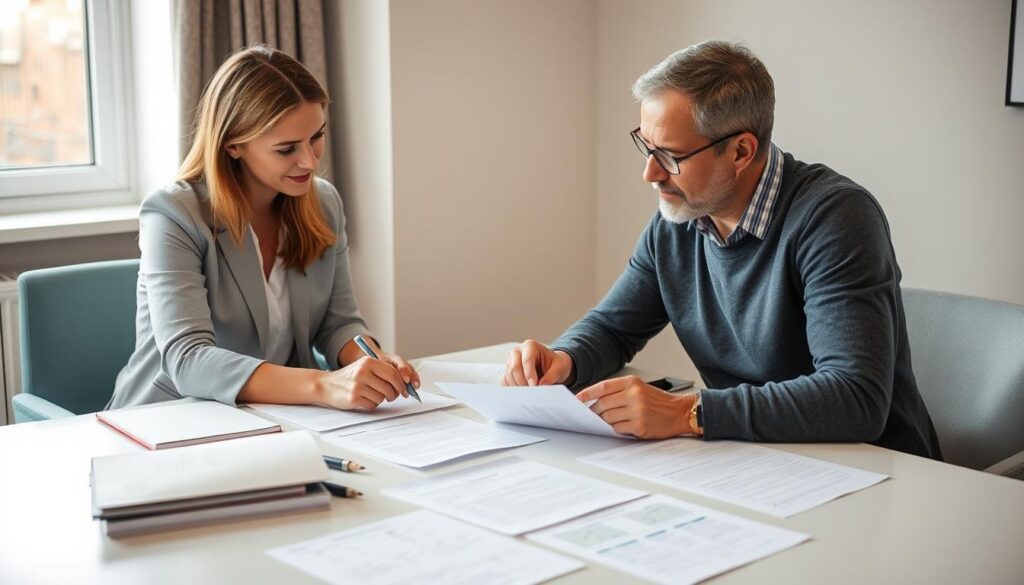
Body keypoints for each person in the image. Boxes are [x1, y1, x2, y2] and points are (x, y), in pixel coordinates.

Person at [503, 40, 941, 459]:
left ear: (741, 151)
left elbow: (854, 398)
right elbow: (615, 327)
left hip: (874, 469)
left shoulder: (835, 218)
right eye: (646, 146)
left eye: (670, 156)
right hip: (751, 458)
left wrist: (687, 412)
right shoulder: (679, 219)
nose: (650, 174)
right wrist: (565, 357)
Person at [107, 45, 419, 411]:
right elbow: (188, 360)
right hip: (170, 419)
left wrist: (370, 359)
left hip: (275, 419)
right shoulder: (173, 214)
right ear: (234, 145)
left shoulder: (324, 203)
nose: (309, 160)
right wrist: (324, 385)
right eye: (286, 149)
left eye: (316, 137)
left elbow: (338, 324)